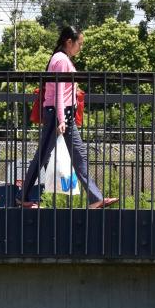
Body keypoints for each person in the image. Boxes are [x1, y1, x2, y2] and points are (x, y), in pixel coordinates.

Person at [20, 25, 117, 210]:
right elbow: (58, 92)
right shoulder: (62, 60)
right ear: (69, 42)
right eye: (79, 44)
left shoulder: (60, 58)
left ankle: (95, 198)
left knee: (75, 154)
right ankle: (22, 196)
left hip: (61, 113)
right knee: (46, 156)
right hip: (59, 114)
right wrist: (62, 119)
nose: (80, 47)